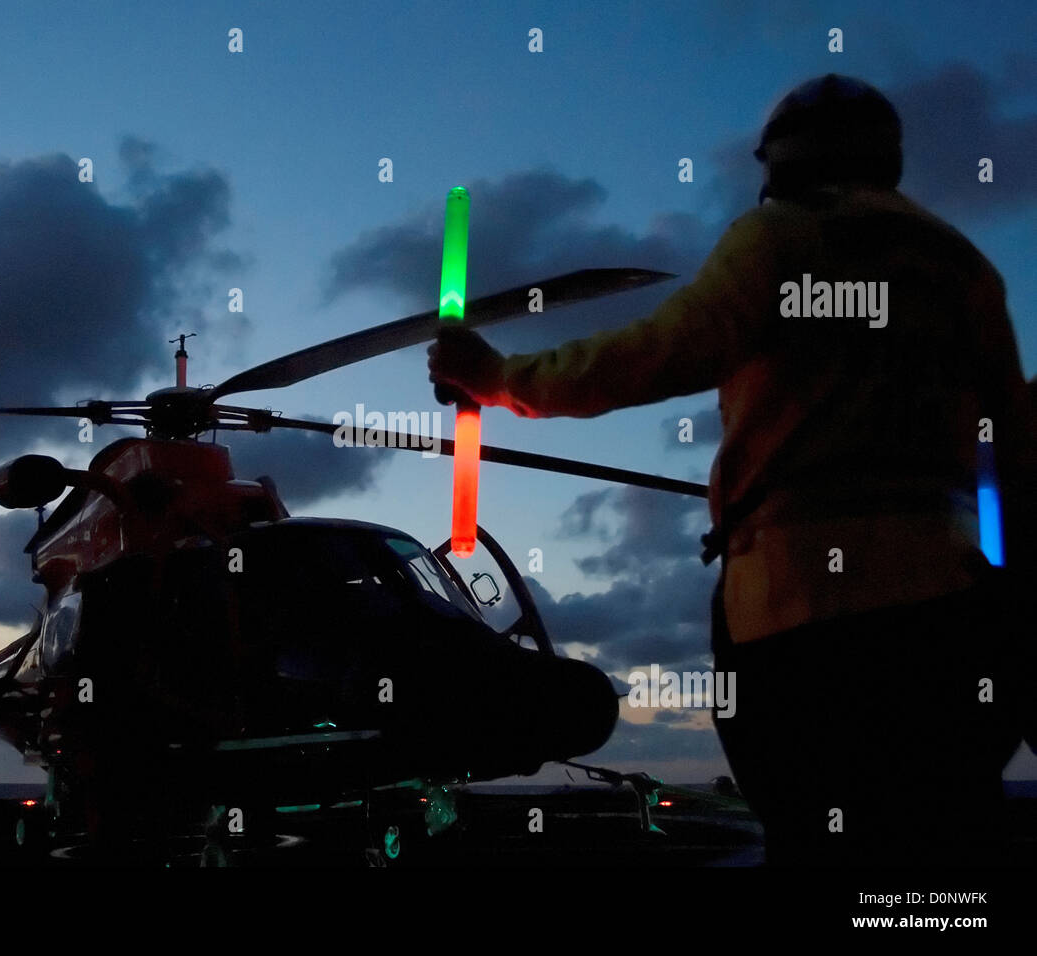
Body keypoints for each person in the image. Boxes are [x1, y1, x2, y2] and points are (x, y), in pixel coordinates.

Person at [428, 74, 1037, 865]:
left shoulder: (781, 238)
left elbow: (650, 354)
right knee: (939, 848)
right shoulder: (967, 271)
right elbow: (1016, 455)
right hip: (949, 621)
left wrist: (501, 380)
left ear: (778, 165)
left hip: (799, 621)